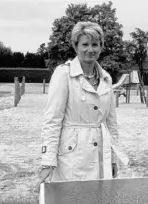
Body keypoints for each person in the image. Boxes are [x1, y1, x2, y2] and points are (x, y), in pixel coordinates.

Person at [37, 21, 129, 188]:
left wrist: (113, 159)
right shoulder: (63, 74)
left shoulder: (106, 78)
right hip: (71, 158)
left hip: (99, 154)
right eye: (85, 44)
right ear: (75, 46)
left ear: (101, 47)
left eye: (95, 44)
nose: (90, 49)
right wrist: (47, 161)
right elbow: (52, 120)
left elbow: (111, 123)